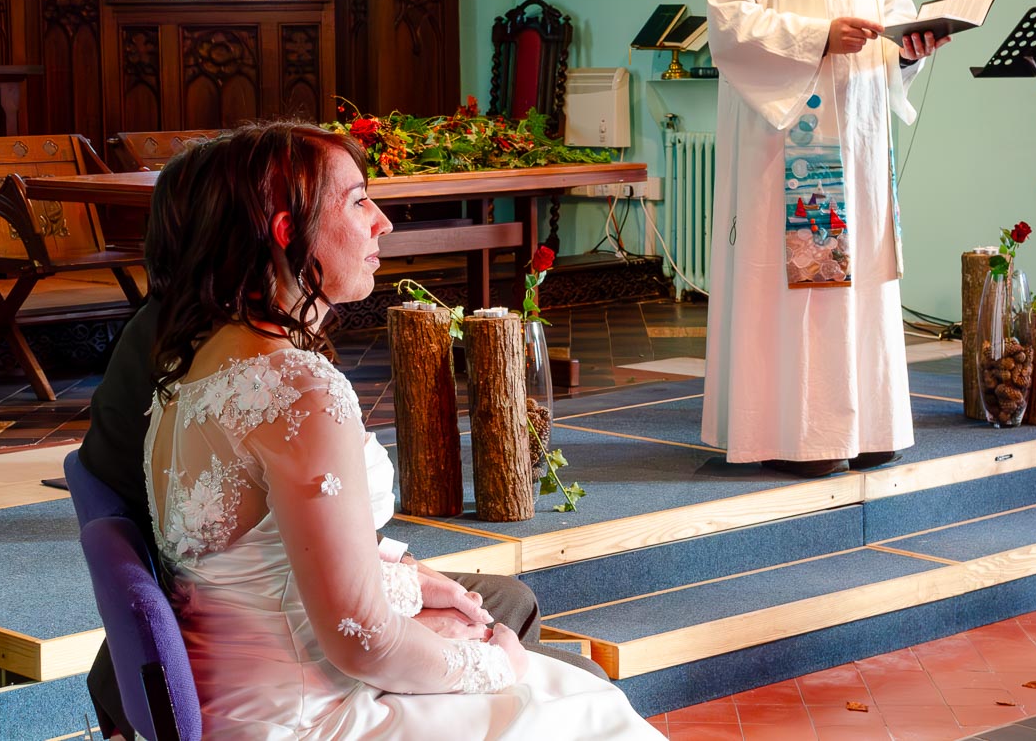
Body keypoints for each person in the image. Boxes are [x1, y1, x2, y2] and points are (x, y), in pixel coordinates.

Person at [140, 120, 656, 739]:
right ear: (288, 233)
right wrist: (492, 662)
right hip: (313, 716)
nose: (383, 221)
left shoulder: (196, 371)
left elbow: (260, 564)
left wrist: (410, 585)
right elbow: (361, 641)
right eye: (359, 200)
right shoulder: (297, 390)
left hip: (238, 703)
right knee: (584, 707)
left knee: (562, 682)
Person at [701, 0, 949, 478]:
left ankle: (867, 424)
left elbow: (890, 11)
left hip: (862, 136)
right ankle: (800, 434)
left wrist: (910, 44)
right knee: (811, 280)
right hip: (798, 146)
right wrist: (819, 35)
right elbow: (729, 22)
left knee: (860, 277)